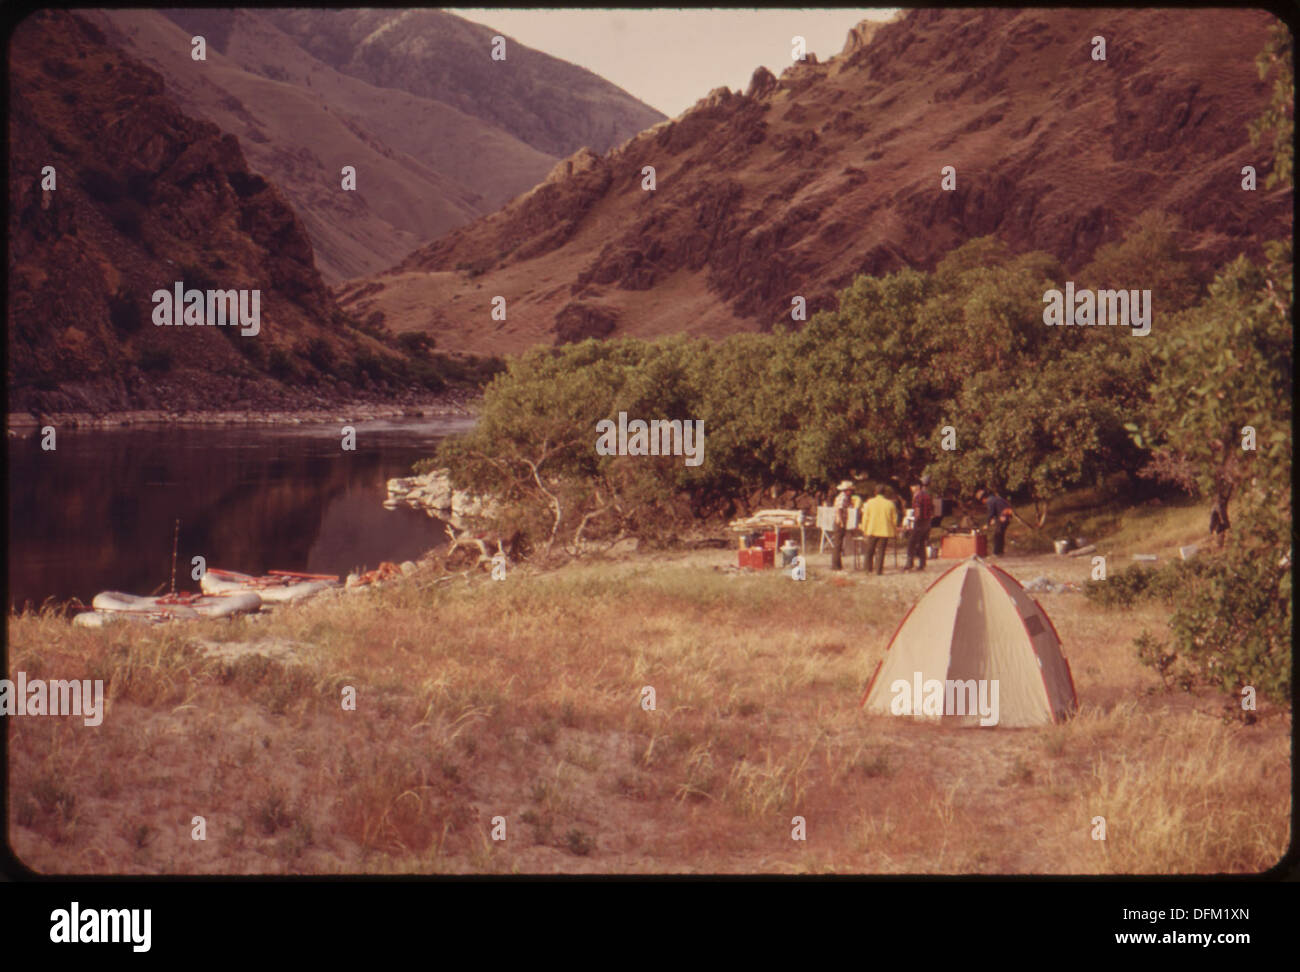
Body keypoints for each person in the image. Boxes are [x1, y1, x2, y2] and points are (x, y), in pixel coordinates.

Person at [861, 484, 898, 575]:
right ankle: (878, 570)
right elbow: (894, 520)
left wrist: (864, 529)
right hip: (885, 531)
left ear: (875, 492)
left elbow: (865, 517)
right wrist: (894, 531)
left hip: (872, 529)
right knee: (881, 551)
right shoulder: (890, 504)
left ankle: (867, 569)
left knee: (869, 550)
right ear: (885, 493)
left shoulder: (869, 502)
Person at [904, 475, 935, 571]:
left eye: (912, 486)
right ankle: (922, 564)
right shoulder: (927, 495)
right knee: (922, 543)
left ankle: (909, 564)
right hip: (927, 522)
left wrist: (914, 520)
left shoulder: (917, 496)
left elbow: (917, 509)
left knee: (911, 543)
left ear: (917, 486)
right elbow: (932, 509)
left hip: (919, 523)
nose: (911, 488)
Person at [975, 487, 1013, 556]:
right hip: (1006, 516)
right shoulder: (994, 498)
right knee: (1000, 535)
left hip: (1003, 517)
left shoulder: (990, 501)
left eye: (981, 500)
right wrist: (995, 520)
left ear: (983, 498)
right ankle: (1000, 552)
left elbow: (991, 513)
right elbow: (998, 510)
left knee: (997, 535)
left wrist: (987, 523)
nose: (982, 502)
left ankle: (997, 553)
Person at [830, 480, 854, 570]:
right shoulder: (842, 497)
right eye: (850, 490)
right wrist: (841, 521)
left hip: (841, 521)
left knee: (839, 544)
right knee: (838, 543)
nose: (851, 492)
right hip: (839, 522)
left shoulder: (846, 498)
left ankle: (838, 565)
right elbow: (839, 509)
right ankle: (835, 565)